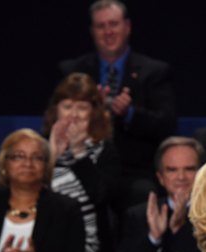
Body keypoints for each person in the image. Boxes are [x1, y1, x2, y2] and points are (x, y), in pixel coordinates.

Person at [59, 0, 177, 211]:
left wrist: (129, 113)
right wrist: (93, 110)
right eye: (101, 26)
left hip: (133, 170)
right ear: (92, 31)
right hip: (84, 161)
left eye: (113, 24)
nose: (108, 32)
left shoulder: (154, 72)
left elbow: (166, 124)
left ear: (127, 27)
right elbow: (55, 118)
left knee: (142, 194)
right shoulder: (73, 71)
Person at [42, 72, 120, 252]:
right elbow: (23, 195)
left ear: (93, 114)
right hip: (41, 241)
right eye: (67, 106)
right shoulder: (38, 151)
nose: (73, 116)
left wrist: (79, 153)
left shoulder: (105, 152)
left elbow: (101, 196)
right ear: (56, 109)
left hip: (84, 249)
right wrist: (53, 154)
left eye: (82, 108)